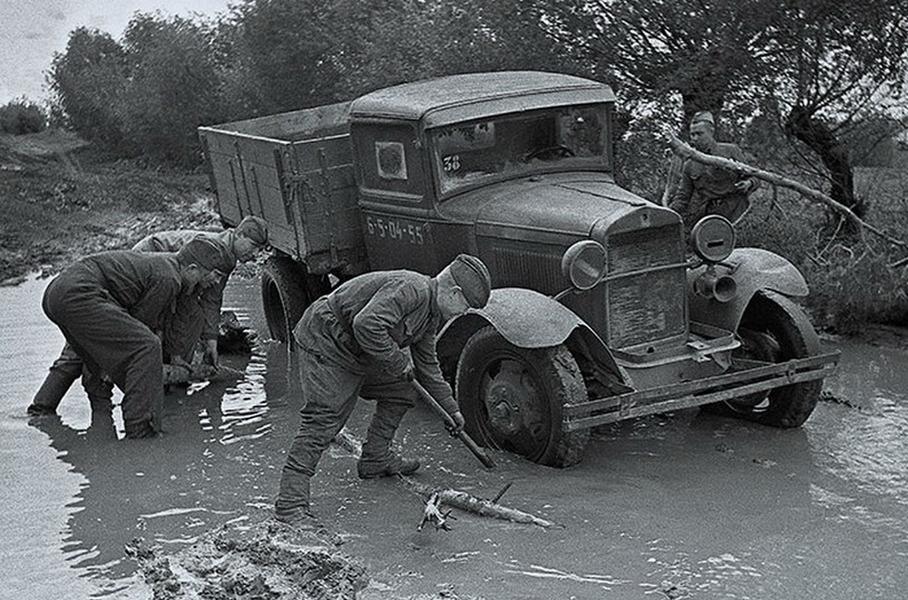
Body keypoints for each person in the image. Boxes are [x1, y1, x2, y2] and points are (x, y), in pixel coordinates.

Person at [274, 255, 492, 525]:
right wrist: (397, 360)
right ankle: (290, 504)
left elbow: (428, 367)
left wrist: (452, 411)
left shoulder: (431, 314)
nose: (462, 314)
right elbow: (366, 324)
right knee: (323, 419)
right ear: (455, 293)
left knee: (402, 389)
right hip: (327, 340)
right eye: (465, 307)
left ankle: (375, 457)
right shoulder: (412, 289)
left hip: (359, 349)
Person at [27, 216, 268, 416]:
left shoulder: (225, 258)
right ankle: (49, 407)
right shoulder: (212, 252)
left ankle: (139, 397)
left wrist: (211, 340)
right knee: (101, 340)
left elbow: (209, 301)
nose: (255, 255)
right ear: (239, 234)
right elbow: (172, 307)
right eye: (254, 247)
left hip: (161, 275)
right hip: (149, 264)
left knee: (169, 327)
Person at [34, 238, 225, 438]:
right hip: (79, 293)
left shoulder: (169, 266)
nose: (216, 281)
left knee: (94, 357)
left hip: (57, 293)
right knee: (146, 347)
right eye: (214, 274)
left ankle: (46, 411)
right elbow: (142, 322)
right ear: (193, 268)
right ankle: (141, 431)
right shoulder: (169, 278)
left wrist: (175, 356)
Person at [668, 111, 759, 226]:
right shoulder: (690, 164)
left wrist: (748, 183)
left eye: (699, 134)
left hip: (737, 210)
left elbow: (755, 177)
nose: (694, 138)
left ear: (711, 132)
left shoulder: (730, 151)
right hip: (710, 214)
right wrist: (667, 213)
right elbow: (682, 197)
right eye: (692, 134)